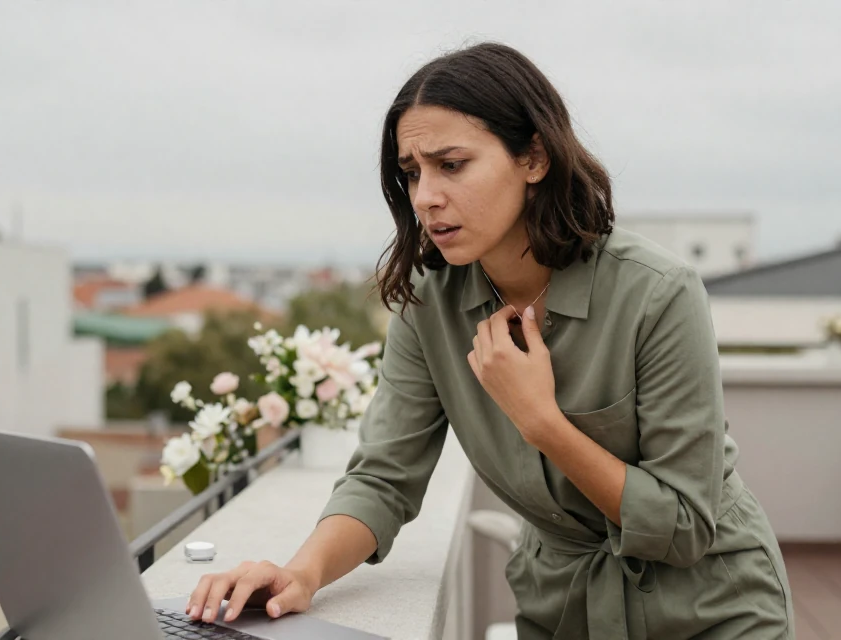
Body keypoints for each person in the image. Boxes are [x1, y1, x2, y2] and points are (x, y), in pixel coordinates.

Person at [186, 42, 794, 639]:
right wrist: (300, 573)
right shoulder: (429, 304)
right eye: (412, 172)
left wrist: (542, 422)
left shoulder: (659, 294)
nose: (425, 196)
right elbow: (384, 479)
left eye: (452, 165)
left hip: (712, 613)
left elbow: (684, 525)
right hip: (562, 611)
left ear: (533, 158)